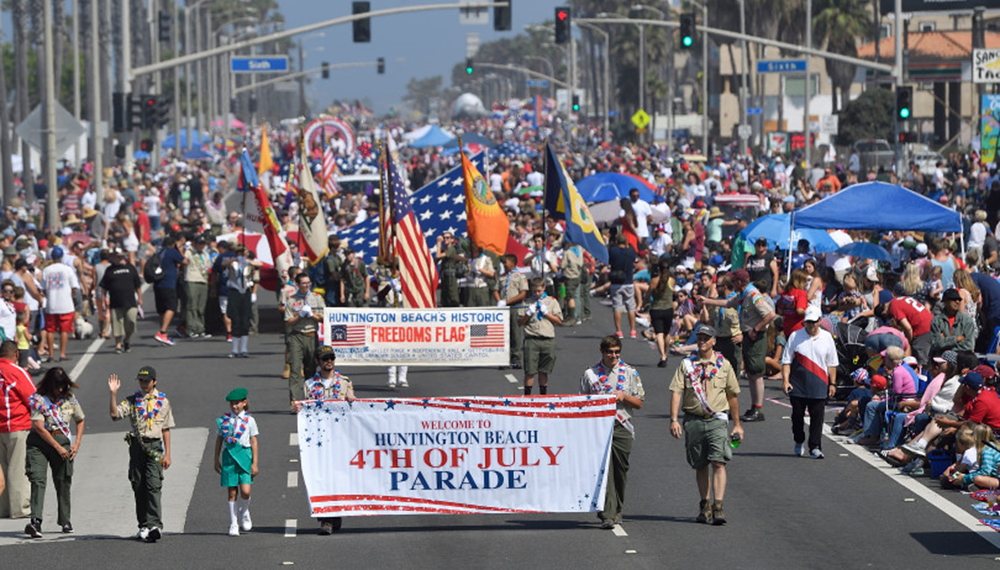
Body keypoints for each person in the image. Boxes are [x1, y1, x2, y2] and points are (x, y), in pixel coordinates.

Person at [669, 325, 743, 525]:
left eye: (706, 338)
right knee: (700, 464)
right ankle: (705, 504)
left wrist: (737, 425)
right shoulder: (686, 365)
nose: (702, 341)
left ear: (713, 341)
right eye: (699, 337)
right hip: (693, 419)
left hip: (717, 420)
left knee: (718, 462)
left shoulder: (724, 365)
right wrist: (674, 419)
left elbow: (732, 395)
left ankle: (719, 506)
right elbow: (676, 391)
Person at [580, 335, 644, 529]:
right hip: (599, 426)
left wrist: (623, 396)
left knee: (620, 469)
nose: (613, 355)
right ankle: (607, 513)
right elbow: (582, 402)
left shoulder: (630, 373)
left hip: (622, 425)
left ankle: (617, 508)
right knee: (604, 469)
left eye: (617, 352)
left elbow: (639, 403)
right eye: (610, 352)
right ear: (602, 352)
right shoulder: (590, 374)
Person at [292, 345, 356, 535]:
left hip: (340, 437)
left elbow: (352, 400)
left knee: (337, 477)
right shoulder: (310, 385)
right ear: (318, 362)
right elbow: (306, 408)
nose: (329, 361)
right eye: (325, 358)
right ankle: (326, 520)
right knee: (322, 477)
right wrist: (298, 409)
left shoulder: (344, 382)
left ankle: (335, 516)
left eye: (331, 358)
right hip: (319, 438)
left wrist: (352, 398)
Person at [698, 269, 776, 422]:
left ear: (739, 282)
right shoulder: (742, 295)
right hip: (748, 334)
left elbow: (770, 314)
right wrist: (707, 301)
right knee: (751, 373)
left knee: (756, 372)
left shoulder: (753, 295)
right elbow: (727, 303)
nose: (731, 285)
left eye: (733, 282)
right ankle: (754, 407)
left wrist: (756, 329)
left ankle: (758, 409)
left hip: (755, 335)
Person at [108, 365, 174, 543]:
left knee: (153, 484)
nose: (143, 384)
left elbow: (166, 429)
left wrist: (168, 454)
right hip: (138, 446)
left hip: (154, 446)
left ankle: (155, 525)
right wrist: (113, 393)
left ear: (154, 381)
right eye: (141, 381)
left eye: (146, 381)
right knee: (138, 484)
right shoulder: (132, 401)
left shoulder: (164, 402)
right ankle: (143, 524)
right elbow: (115, 415)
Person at [23, 367, 84, 537]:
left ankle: (65, 520)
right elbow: (39, 428)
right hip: (39, 444)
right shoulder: (38, 400)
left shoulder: (70, 398)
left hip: (62, 440)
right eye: (57, 386)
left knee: (63, 480)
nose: (60, 389)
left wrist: (77, 443)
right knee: (37, 479)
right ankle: (36, 521)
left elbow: (80, 419)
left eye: (63, 386)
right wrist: (57, 448)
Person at [782, 306, 838, 459]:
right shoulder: (795, 336)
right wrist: (786, 380)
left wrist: (832, 383)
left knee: (817, 418)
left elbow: (832, 363)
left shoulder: (827, 338)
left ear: (820, 321)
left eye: (814, 322)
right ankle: (799, 440)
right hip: (798, 384)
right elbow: (786, 361)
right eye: (808, 322)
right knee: (797, 416)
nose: (811, 325)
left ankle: (815, 447)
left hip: (819, 384)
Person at [213, 388, 259, 537]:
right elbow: (219, 440)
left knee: (246, 491)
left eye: (237, 403)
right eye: (232, 404)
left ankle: (244, 510)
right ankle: (233, 523)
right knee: (232, 491)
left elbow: (254, 441)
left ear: (244, 403)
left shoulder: (250, 420)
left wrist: (255, 463)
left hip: (245, 455)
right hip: (229, 456)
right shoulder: (225, 421)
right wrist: (216, 459)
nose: (234, 407)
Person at [0, 340, 35, 518]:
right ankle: (19, 508)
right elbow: (32, 398)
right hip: (16, 424)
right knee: (17, 467)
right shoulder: (16, 372)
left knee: (3, 467)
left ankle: (4, 508)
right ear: (16, 354)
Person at [517, 278, 562, 395]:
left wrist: (547, 313)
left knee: (544, 371)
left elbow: (559, 321)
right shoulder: (527, 302)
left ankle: (543, 396)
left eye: (539, 291)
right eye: (534, 291)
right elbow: (519, 322)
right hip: (532, 339)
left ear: (544, 288)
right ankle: (527, 397)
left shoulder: (552, 301)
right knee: (530, 371)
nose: (537, 294)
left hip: (547, 339)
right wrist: (528, 314)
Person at [285, 273, 325, 405]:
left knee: (311, 369)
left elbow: (324, 318)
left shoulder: (317, 298)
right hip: (297, 336)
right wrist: (300, 315)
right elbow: (289, 321)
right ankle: (295, 401)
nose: (307, 285)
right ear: (297, 285)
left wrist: (312, 315)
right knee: (295, 369)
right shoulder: (291, 300)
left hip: (312, 335)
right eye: (304, 283)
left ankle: (310, 400)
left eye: (309, 283)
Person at [39, 246, 80, 362]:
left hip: (52, 304)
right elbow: (74, 287)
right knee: (64, 330)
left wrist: (49, 296)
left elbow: (42, 288)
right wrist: (69, 296)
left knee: (50, 330)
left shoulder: (47, 270)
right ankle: (62, 354)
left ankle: (51, 355)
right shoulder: (67, 269)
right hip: (65, 304)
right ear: (62, 256)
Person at [99, 249, 143, 354]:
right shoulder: (109, 270)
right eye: (117, 257)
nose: (120, 258)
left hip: (130, 301)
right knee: (117, 325)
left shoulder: (130, 268)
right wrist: (104, 301)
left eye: (122, 256)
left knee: (131, 323)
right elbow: (104, 288)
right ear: (113, 258)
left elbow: (137, 285)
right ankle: (118, 345)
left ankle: (126, 340)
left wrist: (140, 298)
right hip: (116, 302)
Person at [876, 296, 933, 366]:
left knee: (921, 359)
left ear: (884, 313)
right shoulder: (898, 299)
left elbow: (908, 328)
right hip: (931, 322)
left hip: (922, 329)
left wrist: (907, 342)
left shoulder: (893, 308)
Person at [227, 246, 261, 359]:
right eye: (240, 253)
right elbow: (222, 264)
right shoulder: (232, 264)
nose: (242, 255)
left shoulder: (249, 264)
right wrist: (235, 260)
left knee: (245, 319)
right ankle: (234, 349)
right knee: (235, 319)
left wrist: (247, 261)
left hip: (246, 292)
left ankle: (243, 348)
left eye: (244, 253)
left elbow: (261, 264)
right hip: (235, 292)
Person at [154, 236, 187, 346]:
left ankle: (163, 333)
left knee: (161, 310)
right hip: (168, 283)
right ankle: (162, 332)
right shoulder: (172, 251)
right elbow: (185, 261)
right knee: (171, 308)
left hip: (157, 283)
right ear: (173, 244)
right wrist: (180, 250)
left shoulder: (159, 252)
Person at [499, 254, 528, 369]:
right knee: (504, 333)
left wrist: (508, 302)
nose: (504, 265)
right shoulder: (502, 276)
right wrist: (499, 301)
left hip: (515, 307)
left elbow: (523, 293)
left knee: (515, 333)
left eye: (505, 262)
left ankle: (516, 358)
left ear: (512, 262)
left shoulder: (520, 276)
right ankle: (505, 359)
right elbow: (496, 289)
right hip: (503, 307)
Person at [930, 288, 976, 356]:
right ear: (945, 302)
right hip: (941, 358)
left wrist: (945, 342)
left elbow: (969, 345)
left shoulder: (967, 321)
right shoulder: (936, 321)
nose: (957, 302)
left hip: (961, 357)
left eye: (959, 300)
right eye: (953, 299)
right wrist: (957, 339)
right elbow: (936, 344)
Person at [608, 234, 638, 339]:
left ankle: (619, 331)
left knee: (617, 306)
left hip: (616, 282)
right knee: (631, 306)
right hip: (628, 281)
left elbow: (609, 261)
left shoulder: (613, 251)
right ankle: (633, 330)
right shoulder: (631, 252)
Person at [647, 258, 675, 368]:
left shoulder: (655, 280)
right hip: (668, 309)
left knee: (659, 333)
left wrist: (643, 304)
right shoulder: (671, 280)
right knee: (666, 333)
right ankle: (665, 353)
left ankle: (662, 355)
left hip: (656, 309)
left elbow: (649, 293)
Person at [184, 235, 211, 338]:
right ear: (195, 243)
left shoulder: (205, 254)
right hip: (192, 280)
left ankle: (200, 329)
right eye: (200, 243)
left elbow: (208, 266)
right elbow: (184, 259)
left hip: (203, 280)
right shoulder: (190, 252)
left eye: (203, 244)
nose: (202, 246)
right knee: (192, 306)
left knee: (201, 307)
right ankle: (191, 328)